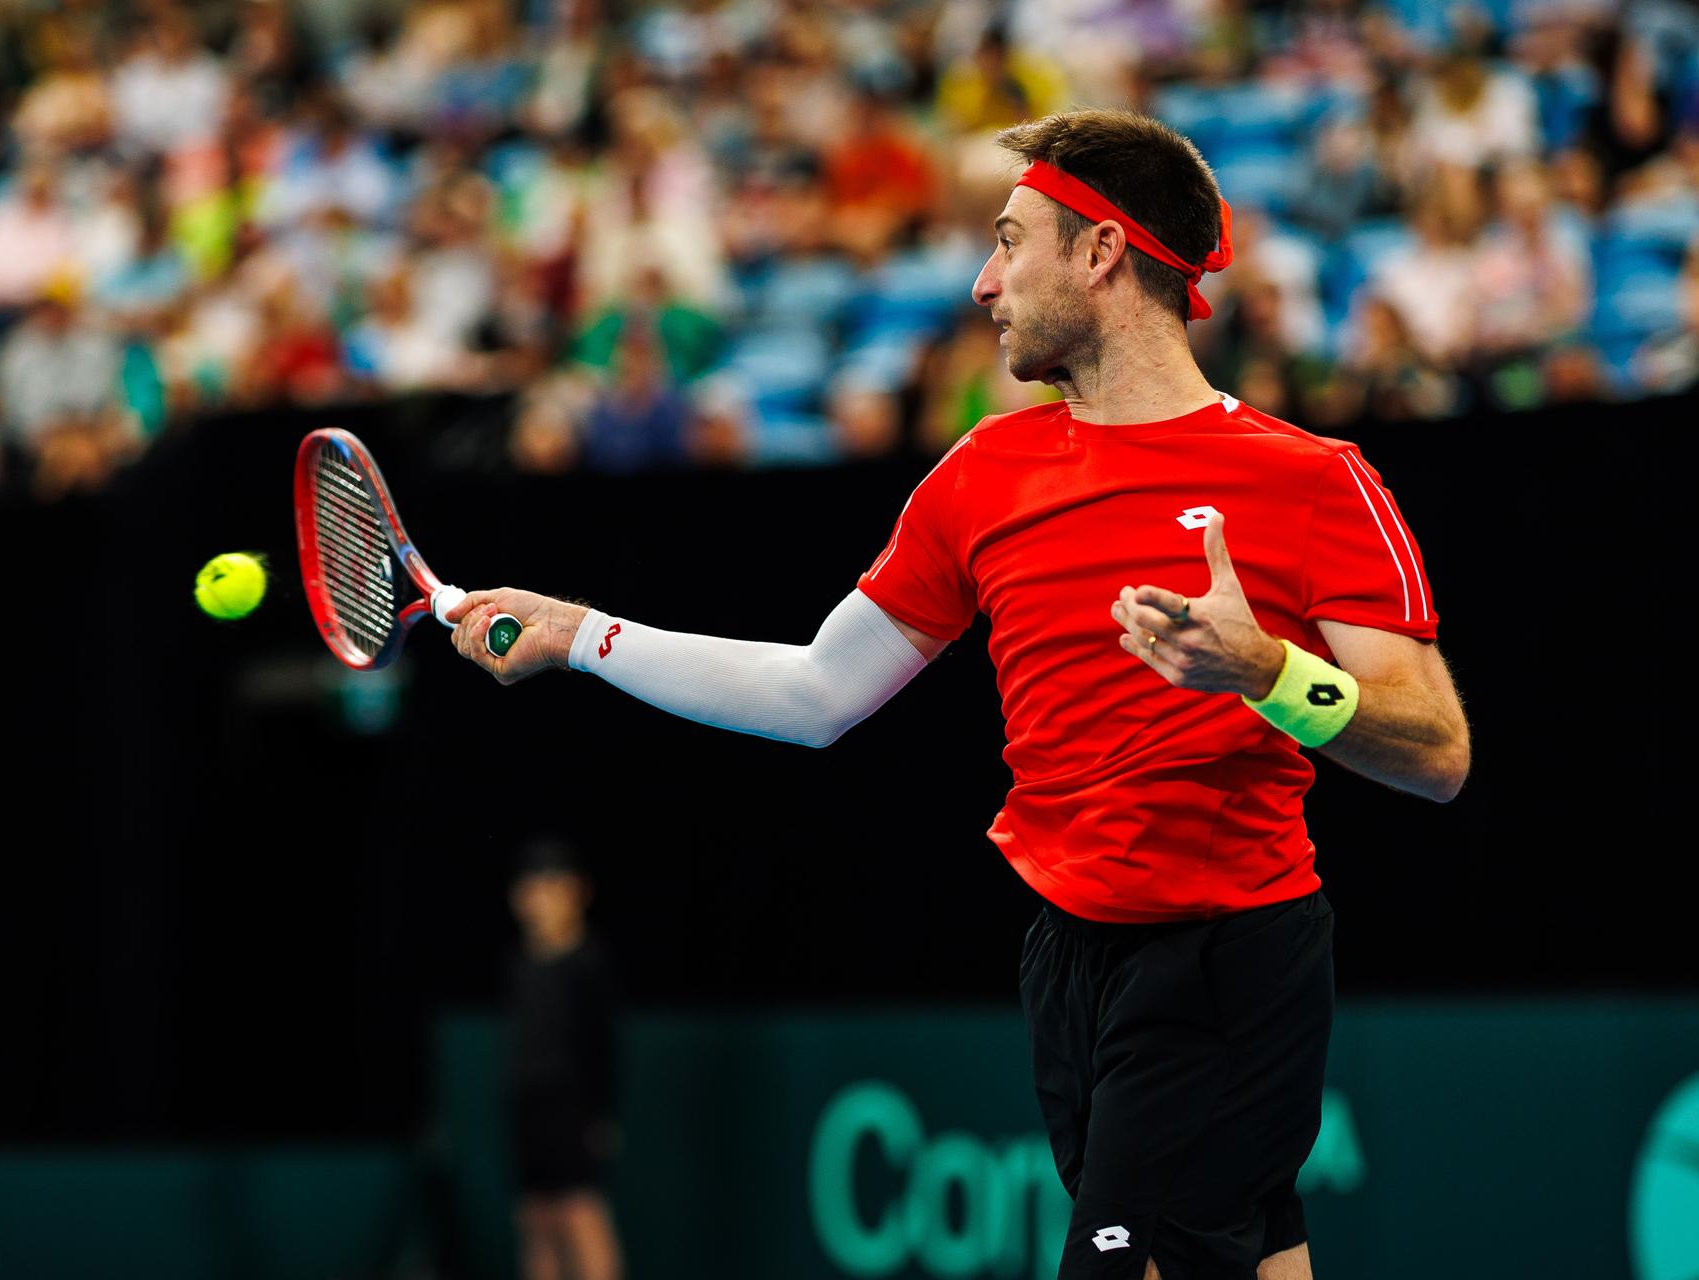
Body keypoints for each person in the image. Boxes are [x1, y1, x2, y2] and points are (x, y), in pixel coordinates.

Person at [443, 108, 1471, 1280]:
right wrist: (583, 635)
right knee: (1245, 1258)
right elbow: (815, 691)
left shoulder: (1316, 481)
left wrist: (1271, 673)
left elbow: (1433, 748)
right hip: (1068, 956)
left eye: (1009, 240)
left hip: (1226, 954)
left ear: (1102, 253)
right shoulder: (983, 475)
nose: (983, 282)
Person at [504, 838, 623, 1280]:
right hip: (527, 1109)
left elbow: (601, 1048)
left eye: (552, 887)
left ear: (577, 892)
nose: (541, 900)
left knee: (580, 1214)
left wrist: (600, 1114)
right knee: (536, 1220)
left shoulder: (589, 963)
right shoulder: (519, 966)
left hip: (573, 1110)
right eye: (532, 888)